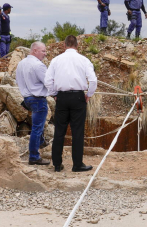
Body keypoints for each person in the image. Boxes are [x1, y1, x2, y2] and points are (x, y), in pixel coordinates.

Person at [44, 35, 97, 172]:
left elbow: (48, 80)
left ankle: (57, 164)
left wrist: (54, 94)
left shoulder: (56, 60)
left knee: (59, 132)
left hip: (61, 97)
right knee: (77, 132)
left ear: (64, 45)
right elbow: (93, 80)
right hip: (78, 98)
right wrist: (88, 95)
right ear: (77, 45)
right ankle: (77, 164)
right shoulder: (84, 60)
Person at [16, 42, 50, 166]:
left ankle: (41, 142)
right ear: (35, 50)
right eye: (43, 51)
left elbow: (17, 80)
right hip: (38, 99)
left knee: (37, 125)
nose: (45, 54)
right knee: (37, 128)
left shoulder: (21, 63)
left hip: (27, 99)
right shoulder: (38, 65)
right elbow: (49, 82)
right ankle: (34, 156)